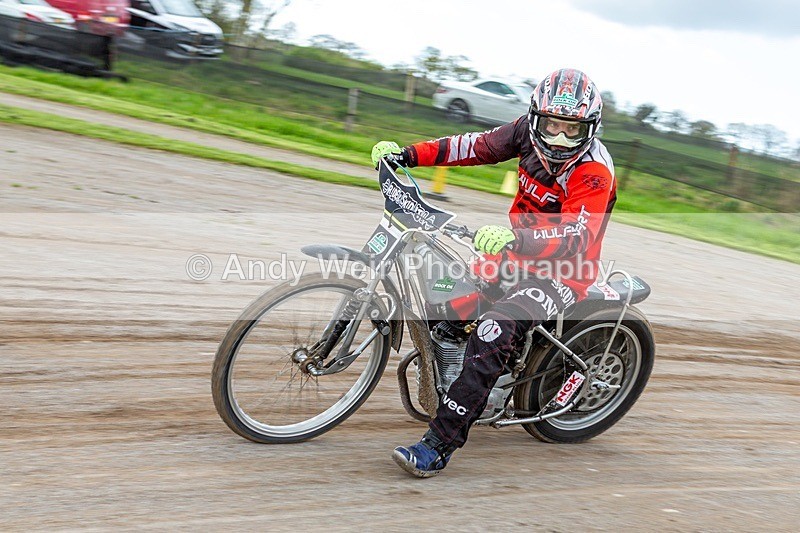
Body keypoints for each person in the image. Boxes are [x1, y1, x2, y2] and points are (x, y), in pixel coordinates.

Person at [370, 68, 618, 478]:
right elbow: (473, 146)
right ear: (535, 118)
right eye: (551, 125)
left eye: (571, 130)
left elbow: (577, 234)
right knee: (448, 303)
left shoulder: (594, 171)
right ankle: (460, 383)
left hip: (563, 270)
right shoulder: (523, 133)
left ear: (589, 129)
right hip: (513, 252)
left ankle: (439, 445)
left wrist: (515, 241)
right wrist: (408, 155)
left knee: (494, 330)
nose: (558, 138)